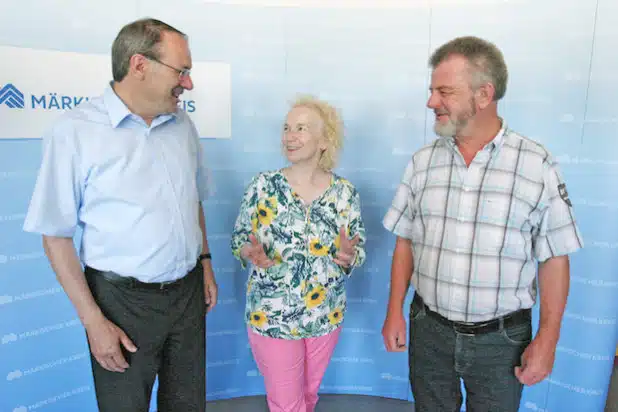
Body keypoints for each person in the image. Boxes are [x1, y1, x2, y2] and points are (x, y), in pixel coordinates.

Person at [22, 18, 217, 412]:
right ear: (139, 64)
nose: (189, 84)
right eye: (182, 71)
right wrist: (93, 321)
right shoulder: (75, 131)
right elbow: (55, 236)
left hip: (188, 294)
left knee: (187, 405)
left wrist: (206, 263)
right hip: (120, 304)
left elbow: (191, 200)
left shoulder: (182, 125)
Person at [381, 36, 584, 411]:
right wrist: (395, 309)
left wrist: (549, 338)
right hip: (428, 330)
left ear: (483, 95)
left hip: (502, 341)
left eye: (445, 91)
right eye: (431, 91)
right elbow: (406, 241)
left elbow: (555, 258)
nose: (431, 102)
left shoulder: (536, 164)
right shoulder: (422, 162)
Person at [230, 95, 366, 412]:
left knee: (308, 397)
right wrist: (249, 251)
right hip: (272, 315)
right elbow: (239, 238)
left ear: (324, 140)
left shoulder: (344, 192)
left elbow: (358, 249)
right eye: (287, 128)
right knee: (287, 404)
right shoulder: (262, 186)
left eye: (301, 128)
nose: (290, 136)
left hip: (326, 315)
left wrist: (350, 257)